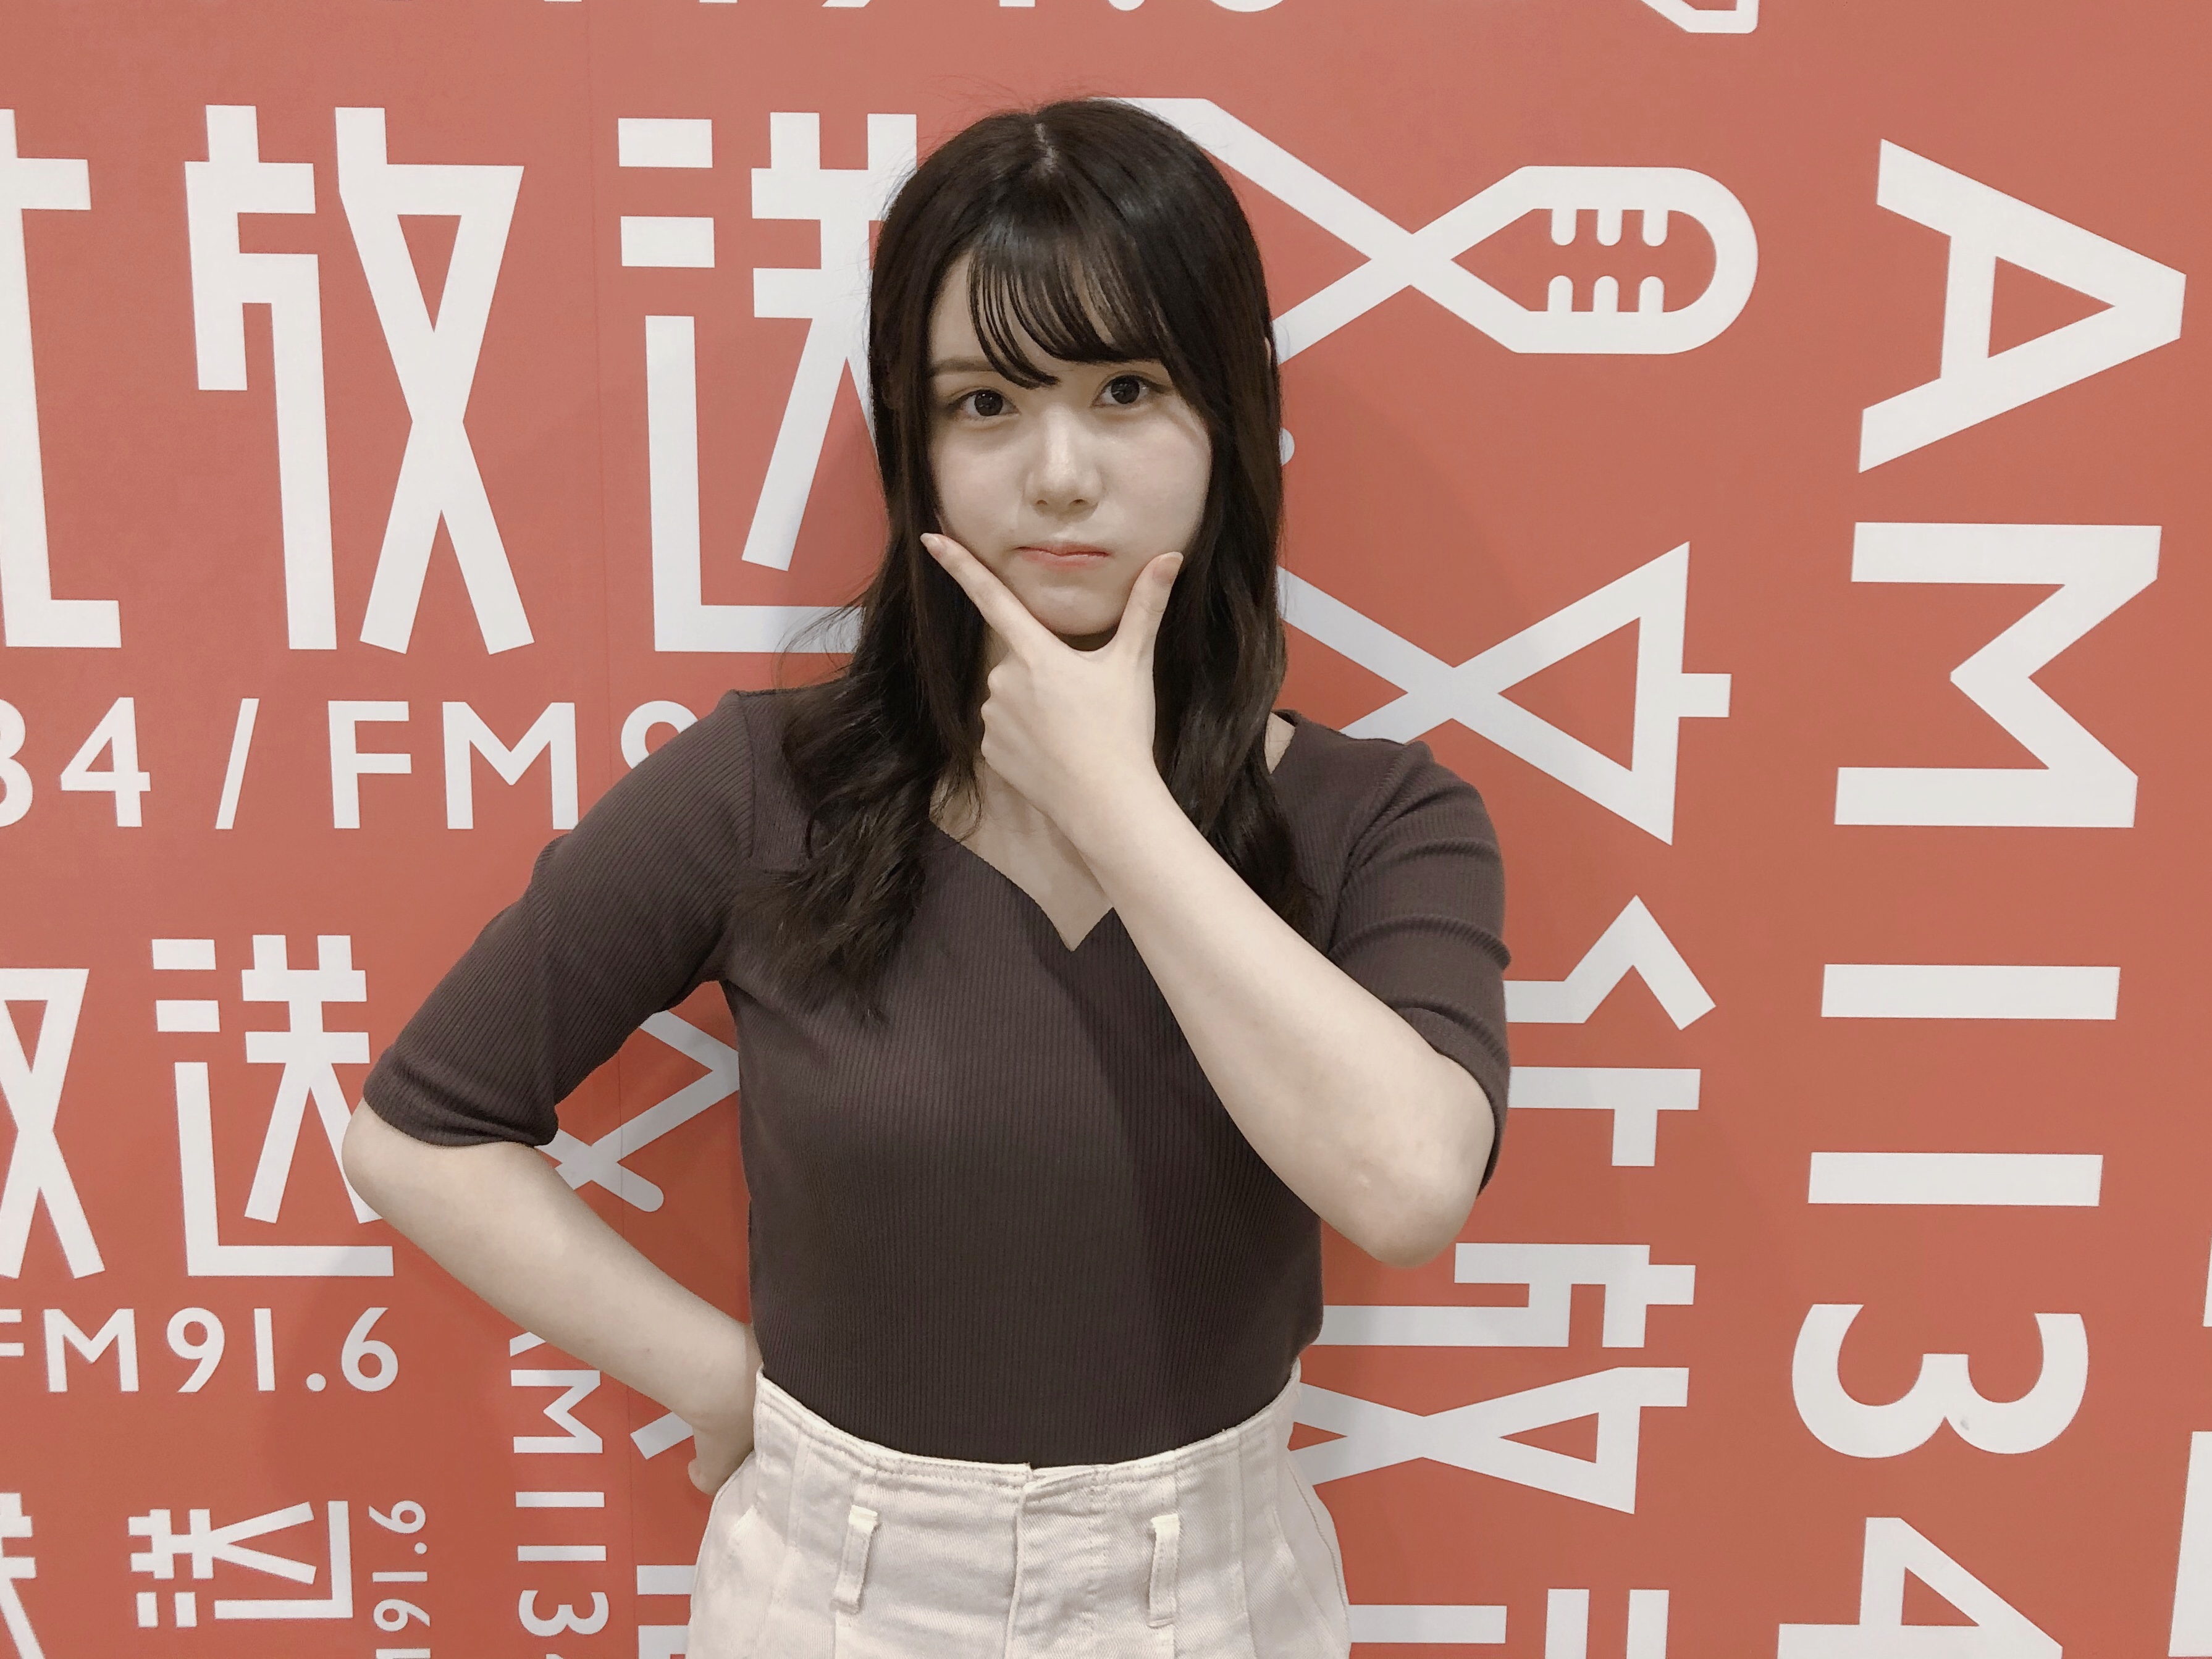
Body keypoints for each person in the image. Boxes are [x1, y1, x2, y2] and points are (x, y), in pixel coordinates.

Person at [340, 96, 1510, 1659]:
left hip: (1218, 1597)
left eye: (1128, 389)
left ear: (1230, 414)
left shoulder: (1383, 817)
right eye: (986, 402)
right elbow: (421, 1129)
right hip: (837, 1590)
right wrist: (718, 1380)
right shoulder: (764, 785)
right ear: (916, 441)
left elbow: (1409, 1186)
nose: (1060, 473)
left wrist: (1114, 802)